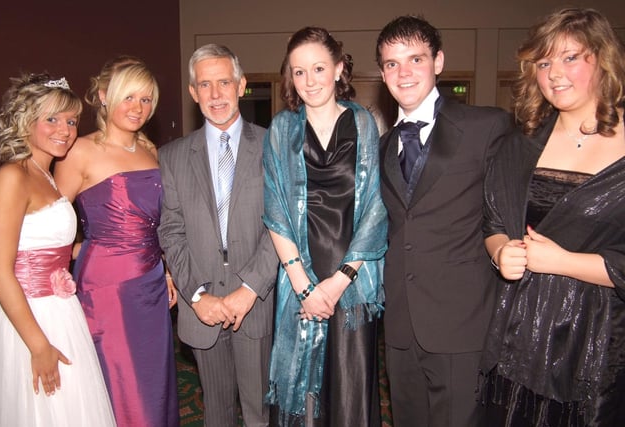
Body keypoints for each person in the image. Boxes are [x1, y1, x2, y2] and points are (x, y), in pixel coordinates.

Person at [481, 7, 625, 426]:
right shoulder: (520, 142)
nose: (554, 73)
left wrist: (562, 262)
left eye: (570, 57)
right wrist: (500, 252)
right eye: (543, 62)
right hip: (519, 335)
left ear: (602, 59)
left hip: (597, 345)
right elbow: (492, 222)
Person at [375, 15, 513, 427]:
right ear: (382, 74)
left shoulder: (486, 127)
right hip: (400, 324)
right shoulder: (382, 146)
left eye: (415, 59)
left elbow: (505, 214)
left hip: (461, 322)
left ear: (438, 62)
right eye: (392, 63)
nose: (404, 73)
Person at [263, 27, 388, 426]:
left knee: (350, 388)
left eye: (318, 68)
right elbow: (275, 210)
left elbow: (376, 207)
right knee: (301, 394)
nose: (309, 80)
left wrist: (338, 282)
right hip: (299, 274)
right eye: (299, 72)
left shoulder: (364, 123)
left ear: (338, 68)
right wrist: (304, 285)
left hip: (353, 280)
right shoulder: (282, 128)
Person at [53, 57, 179, 427]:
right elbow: (54, 224)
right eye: (129, 98)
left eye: (146, 100)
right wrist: (77, 252)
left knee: (154, 381)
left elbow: (161, 224)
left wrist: (168, 270)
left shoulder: (152, 151)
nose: (138, 108)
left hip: (152, 284)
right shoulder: (79, 151)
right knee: (123, 384)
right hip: (107, 288)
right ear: (105, 97)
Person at [157, 44, 277, 427]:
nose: (215, 94)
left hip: (255, 302)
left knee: (260, 411)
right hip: (201, 307)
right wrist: (196, 296)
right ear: (193, 93)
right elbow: (170, 230)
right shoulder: (172, 156)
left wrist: (249, 288)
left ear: (241, 85)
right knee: (217, 414)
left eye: (224, 82)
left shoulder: (274, 145)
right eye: (204, 85)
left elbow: (282, 225)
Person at [0, 73, 116, 426]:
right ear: (27, 121)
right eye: (52, 119)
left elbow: (43, 246)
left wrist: (100, 248)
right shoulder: (12, 177)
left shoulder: (46, 176)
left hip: (61, 312)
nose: (66, 129)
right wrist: (38, 345)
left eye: (72, 121)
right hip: (26, 317)